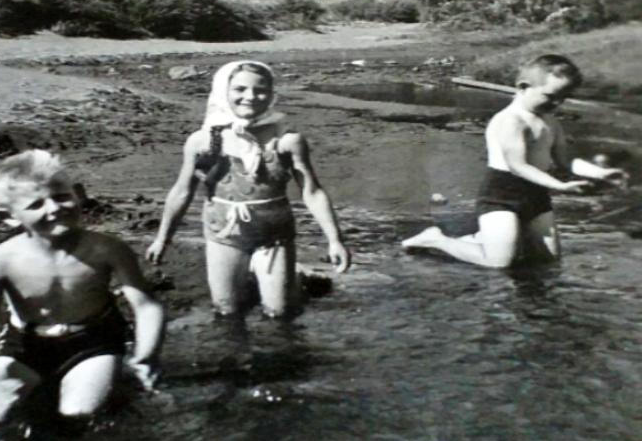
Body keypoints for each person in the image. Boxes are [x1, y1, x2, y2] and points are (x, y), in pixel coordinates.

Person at [0, 150, 165, 424]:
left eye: (61, 197)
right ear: (7, 216)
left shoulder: (107, 249)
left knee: (78, 415)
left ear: (78, 193)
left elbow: (146, 306)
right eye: (36, 205)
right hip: (25, 344)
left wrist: (146, 356)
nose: (54, 209)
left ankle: (117, 379)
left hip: (92, 340)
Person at [145, 60, 350, 317]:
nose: (250, 97)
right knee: (227, 310)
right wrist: (163, 239)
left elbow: (312, 192)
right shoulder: (204, 141)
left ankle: (292, 277)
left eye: (260, 90)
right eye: (240, 89)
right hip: (224, 235)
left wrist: (335, 240)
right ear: (223, 91)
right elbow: (182, 191)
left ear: (272, 94)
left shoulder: (287, 141)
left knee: (279, 312)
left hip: (274, 236)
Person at [401, 54, 628, 268]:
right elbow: (517, 166)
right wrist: (559, 185)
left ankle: (487, 237)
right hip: (502, 193)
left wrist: (600, 174)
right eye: (550, 96)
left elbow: (566, 162)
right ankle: (436, 239)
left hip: (536, 193)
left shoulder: (550, 121)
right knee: (499, 262)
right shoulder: (510, 121)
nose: (557, 104)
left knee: (548, 260)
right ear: (523, 87)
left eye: (563, 98)